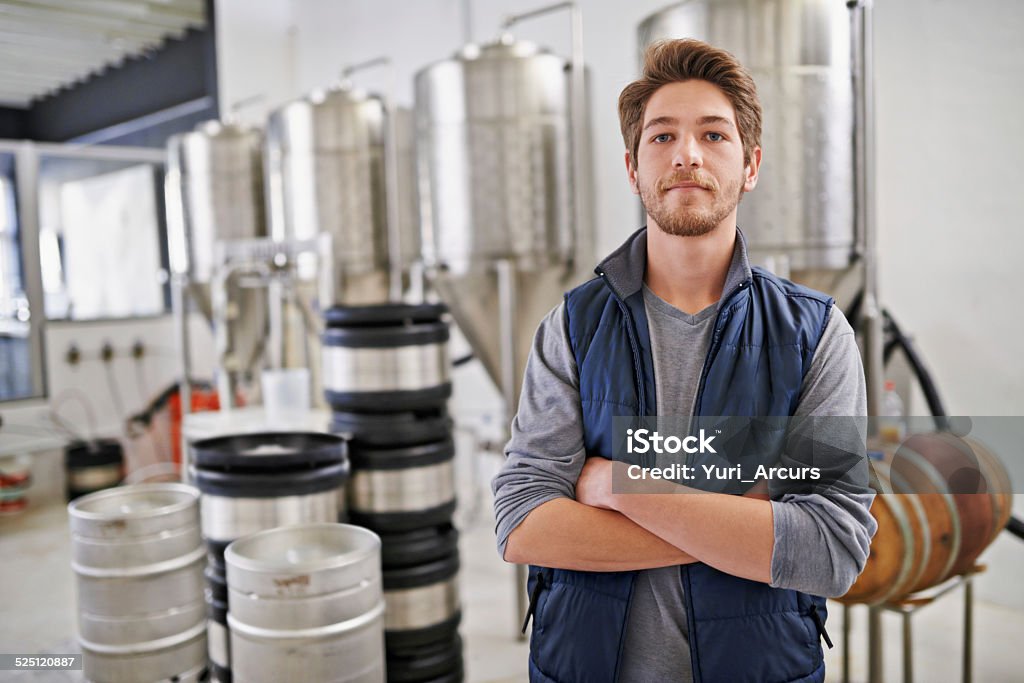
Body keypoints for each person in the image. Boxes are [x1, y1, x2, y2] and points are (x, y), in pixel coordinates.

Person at [491, 39, 878, 683]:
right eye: (662, 136)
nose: (687, 155)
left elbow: (832, 548)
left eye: (713, 136)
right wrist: (738, 520)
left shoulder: (815, 333)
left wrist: (618, 486)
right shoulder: (572, 327)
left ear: (750, 166)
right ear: (633, 168)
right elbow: (523, 524)